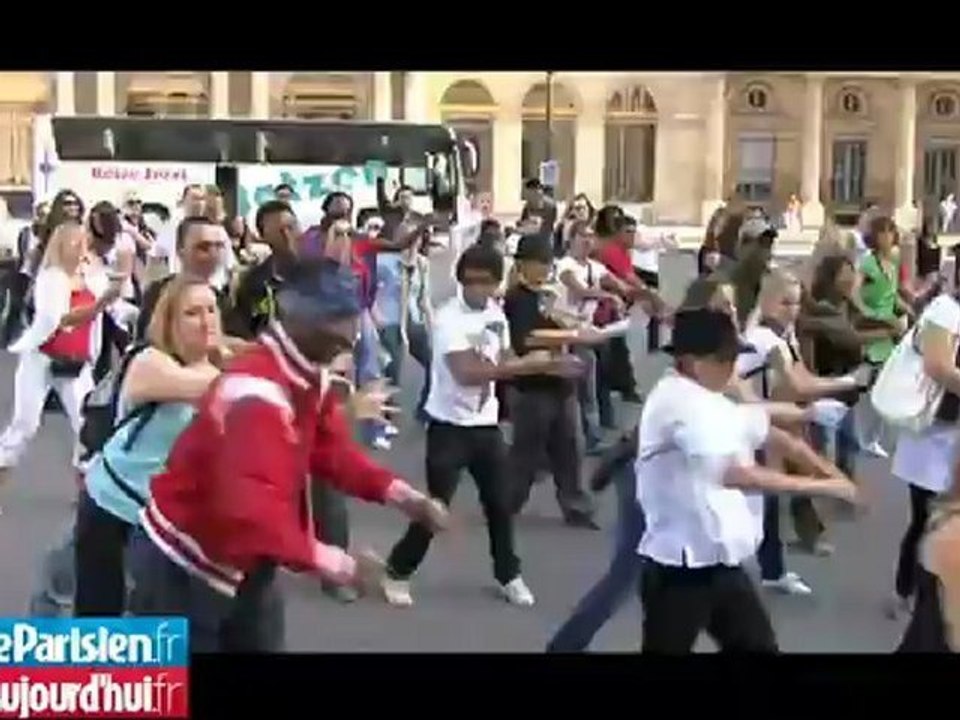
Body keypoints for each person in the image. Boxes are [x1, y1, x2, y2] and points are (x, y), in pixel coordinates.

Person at [127, 259, 448, 652]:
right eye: (335, 320)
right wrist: (340, 565)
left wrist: (403, 497)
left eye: (351, 317)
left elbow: (331, 452)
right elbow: (254, 514)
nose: (349, 335)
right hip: (184, 564)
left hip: (243, 559)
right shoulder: (254, 395)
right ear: (296, 317)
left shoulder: (306, 372)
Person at [635, 308, 858, 653]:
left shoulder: (709, 397)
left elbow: (767, 432)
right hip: (679, 568)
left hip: (718, 563)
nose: (733, 368)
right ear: (694, 363)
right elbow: (736, 475)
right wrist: (825, 486)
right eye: (725, 360)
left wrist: (830, 471)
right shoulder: (679, 403)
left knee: (759, 647)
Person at [380, 243, 568, 608]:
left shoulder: (495, 314)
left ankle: (508, 574)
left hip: (485, 425)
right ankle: (398, 571)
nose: (476, 288)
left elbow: (505, 356)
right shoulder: (449, 319)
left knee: (500, 503)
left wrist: (548, 365)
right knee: (435, 507)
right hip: (448, 427)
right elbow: (466, 372)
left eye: (484, 281)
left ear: (496, 282)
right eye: (470, 281)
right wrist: (525, 366)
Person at [74, 277, 222, 616]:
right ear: (169, 321)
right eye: (192, 313)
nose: (206, 321)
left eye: (212, 310)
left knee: (153, 617)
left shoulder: (215, 368)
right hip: (110, 505)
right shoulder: (149, 361)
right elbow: (206, 387)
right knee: (99, 617)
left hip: (159, 520)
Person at [738, 270, 871, 594]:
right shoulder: (767, 339)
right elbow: (799, 385)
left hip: (762, 419)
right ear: (767, 301)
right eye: (785, 303)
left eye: (797, 303)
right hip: (746, 421)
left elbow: (801, 378)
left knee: (768, 495)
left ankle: (771, 569)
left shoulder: (781, 335)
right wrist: (847, 382)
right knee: (760, 493)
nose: (793, 310)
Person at [0, 222, 122, 497]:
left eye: (83, 242)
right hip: (42, 358)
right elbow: (59, 320)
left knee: (86, 424)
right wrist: (99, 305)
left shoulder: (93, 276)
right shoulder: (51, 278)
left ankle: (89, 488)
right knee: (25, 424)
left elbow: (115, 310)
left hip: (77, 361)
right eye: (76, 243)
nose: (81, 249)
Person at [504, 234, 599, 527]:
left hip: (560, 383)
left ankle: (576, 507)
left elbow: (561, 322)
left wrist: (576, 331)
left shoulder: (547, 296)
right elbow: (525, 340)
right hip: (532, 386)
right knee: (526, 453)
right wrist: (568, 336)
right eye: (539, 263)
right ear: (523, 264)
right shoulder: (517, 298)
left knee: (570, 450)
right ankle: (506, 503)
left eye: (548, 262)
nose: (545, 269)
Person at [887, 289, 960, 619]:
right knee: (928, 519)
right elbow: (937, 366)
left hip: (953, 432)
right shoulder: (946, 310)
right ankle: (907, 592)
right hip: (934, 435)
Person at [553, 220, 629, 452]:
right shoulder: (564, 265)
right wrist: (609, 296)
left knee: (588, 386)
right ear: (571, 239)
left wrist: (636, 293)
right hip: (563, 332)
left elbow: (619, 284)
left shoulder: (595, 267)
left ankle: (592, 437)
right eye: (582, 236)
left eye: (590, 236)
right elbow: (579, 289)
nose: (587, 241)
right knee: (569, 390)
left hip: (585, 333)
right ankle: (569, 440)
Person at [137, 216, 234, 340]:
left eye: (219, 246)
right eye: (203, 247)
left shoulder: (222, 300)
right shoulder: (159, 293)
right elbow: (146, 341)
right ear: (180, 251)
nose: (213, 254)